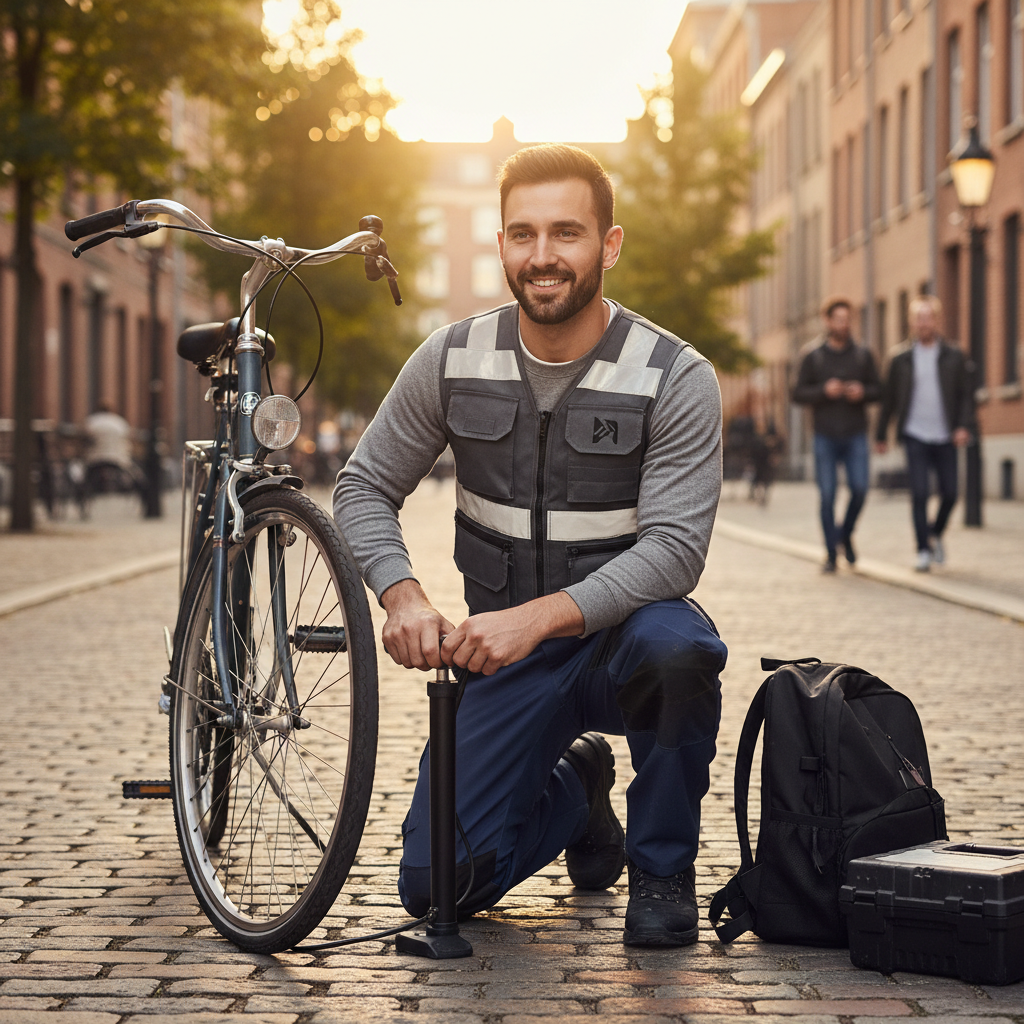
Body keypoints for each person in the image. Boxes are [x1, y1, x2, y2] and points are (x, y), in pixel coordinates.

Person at [334, 144, 726, 948]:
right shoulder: (450, 358)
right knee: (436, 884)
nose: (542, 257)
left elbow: (677, 550)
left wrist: (539, 618)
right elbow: (362, 485)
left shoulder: (673, 374)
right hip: (502, 657)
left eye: (567, 233)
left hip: (625, 643)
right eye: (522, 235)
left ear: (608, 245)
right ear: (503, 242)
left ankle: (660, 870)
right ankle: (579, 790)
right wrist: (400, 594)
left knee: (679, 652)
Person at [875, 296, 976, 572]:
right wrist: (881, 434)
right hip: (914, 433)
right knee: (919, 493)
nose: (923, 322)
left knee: (951, 493)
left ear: (937, 320)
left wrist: (963, 426)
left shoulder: (954, 355)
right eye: (919, 317)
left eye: (928, 317)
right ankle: (922, 550)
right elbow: (889, 400)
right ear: (912, 322)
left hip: (946, 434)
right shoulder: (899, 358)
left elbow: (965, 395)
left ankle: (935, 534)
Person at [792, 298, 881, 571]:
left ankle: (845, 535)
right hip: (824, 436)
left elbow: (879, 390)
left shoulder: (863, 355)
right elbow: (796, 393)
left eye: (847, 319)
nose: (844, 325)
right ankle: (831, 554)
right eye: (838, 319)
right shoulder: (813, 356)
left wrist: (862, 392)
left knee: (860, 489)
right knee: (828, 495)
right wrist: (823, 391)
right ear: (828, 321)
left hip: (855, 434)